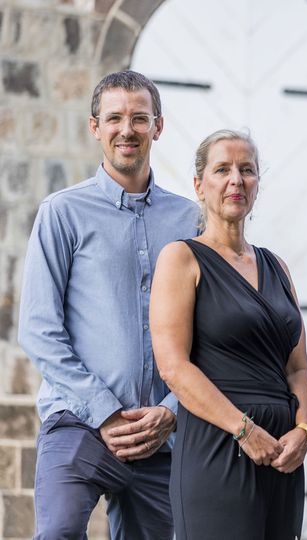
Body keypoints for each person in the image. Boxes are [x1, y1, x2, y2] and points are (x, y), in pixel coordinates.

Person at [17, 70, 200, 539]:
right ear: (95, 126)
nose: (127, 129)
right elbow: (39, 330)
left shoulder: (190, 220)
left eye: (139, 118)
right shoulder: (62, 213)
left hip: (161, 436)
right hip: (78, 422)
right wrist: (104, 410)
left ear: (158, 126)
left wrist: (172, 410)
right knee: (57, 533)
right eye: (114, 118)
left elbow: (208, 332)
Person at [149, 129, 307, 540]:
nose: (236, 180)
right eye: (222, 169)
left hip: (282, 455)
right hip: (219, 446)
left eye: (247, 170)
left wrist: (304, 431)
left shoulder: (278, 267)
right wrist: (244, 430)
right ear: (199, 185)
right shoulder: (181, 258)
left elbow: (297, 368)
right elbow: (173, 367)